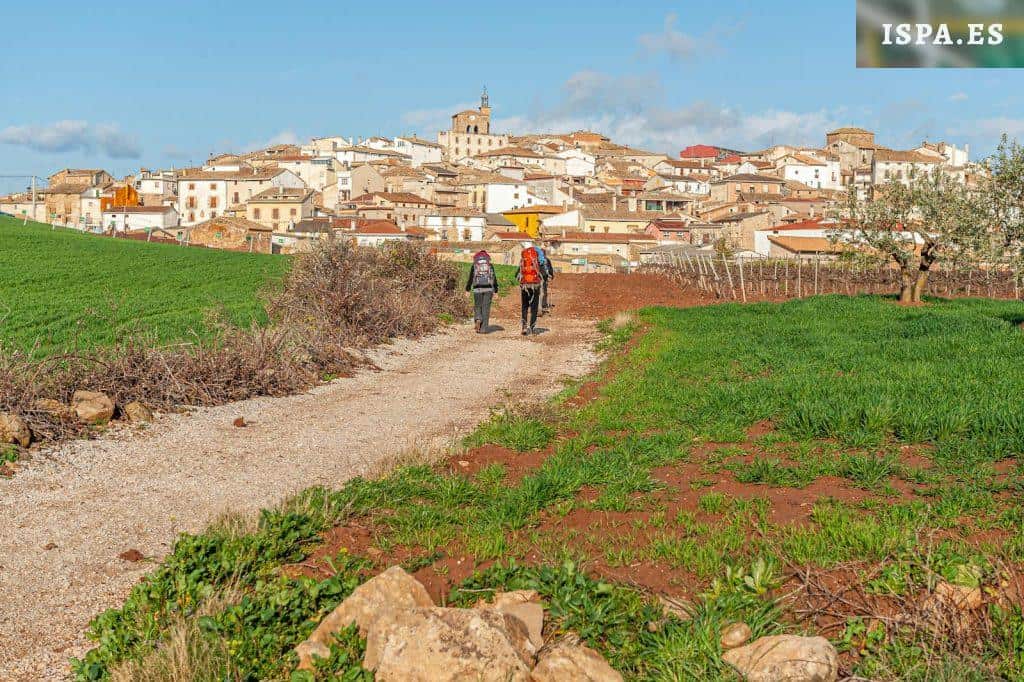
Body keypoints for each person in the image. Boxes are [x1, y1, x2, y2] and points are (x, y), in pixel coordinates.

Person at [465, 249, 498, 333]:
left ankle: (478, 319)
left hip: (477, 289)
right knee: (486, 309)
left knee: (477, 306)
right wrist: (496, 291)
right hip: (488, 289)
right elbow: (494, 279)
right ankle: (483, 329)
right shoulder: (490, 265)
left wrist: (467, 290)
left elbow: (470, 278)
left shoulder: (475, 265)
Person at [516, 241, 544, 335]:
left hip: (524, 285)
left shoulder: (523, 259)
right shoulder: (537, 259)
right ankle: (532, 328)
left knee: (524, 306)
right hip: (535, 285)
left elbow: (517, 273)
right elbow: (543, 273)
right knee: (534, 307)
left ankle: (524, 327)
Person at [537, 244, 554, 314]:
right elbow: (550, 270)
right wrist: (551, 276)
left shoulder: (534, 260)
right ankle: (543, 305)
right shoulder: (546, 260)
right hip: (542, 278)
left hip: (534, 278)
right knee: (543, 292)